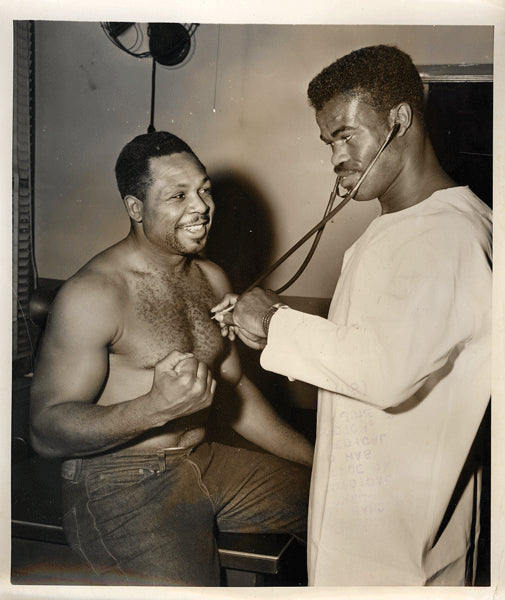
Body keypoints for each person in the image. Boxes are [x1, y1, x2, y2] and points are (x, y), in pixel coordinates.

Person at [212, 45, 492, 586]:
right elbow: (374, 346)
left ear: (400, 120)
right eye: (328, 142)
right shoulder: (402, 227)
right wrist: (266, 323)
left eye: (346, 134)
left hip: (402, 554)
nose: (336, 158)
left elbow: (385, 370)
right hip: (371, 531)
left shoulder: (448, 236)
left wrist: (273, 323)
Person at [29, 131, 313, 586]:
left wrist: (318, 461)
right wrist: (153, 408)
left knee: (340, 502)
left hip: (203, 460)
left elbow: (235, 390)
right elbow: (44, 431)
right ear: (136, 208)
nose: (200, 206)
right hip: (118, 483)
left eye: (203, 189)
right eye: (178, 195)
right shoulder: (94, 294)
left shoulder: (212, 278)